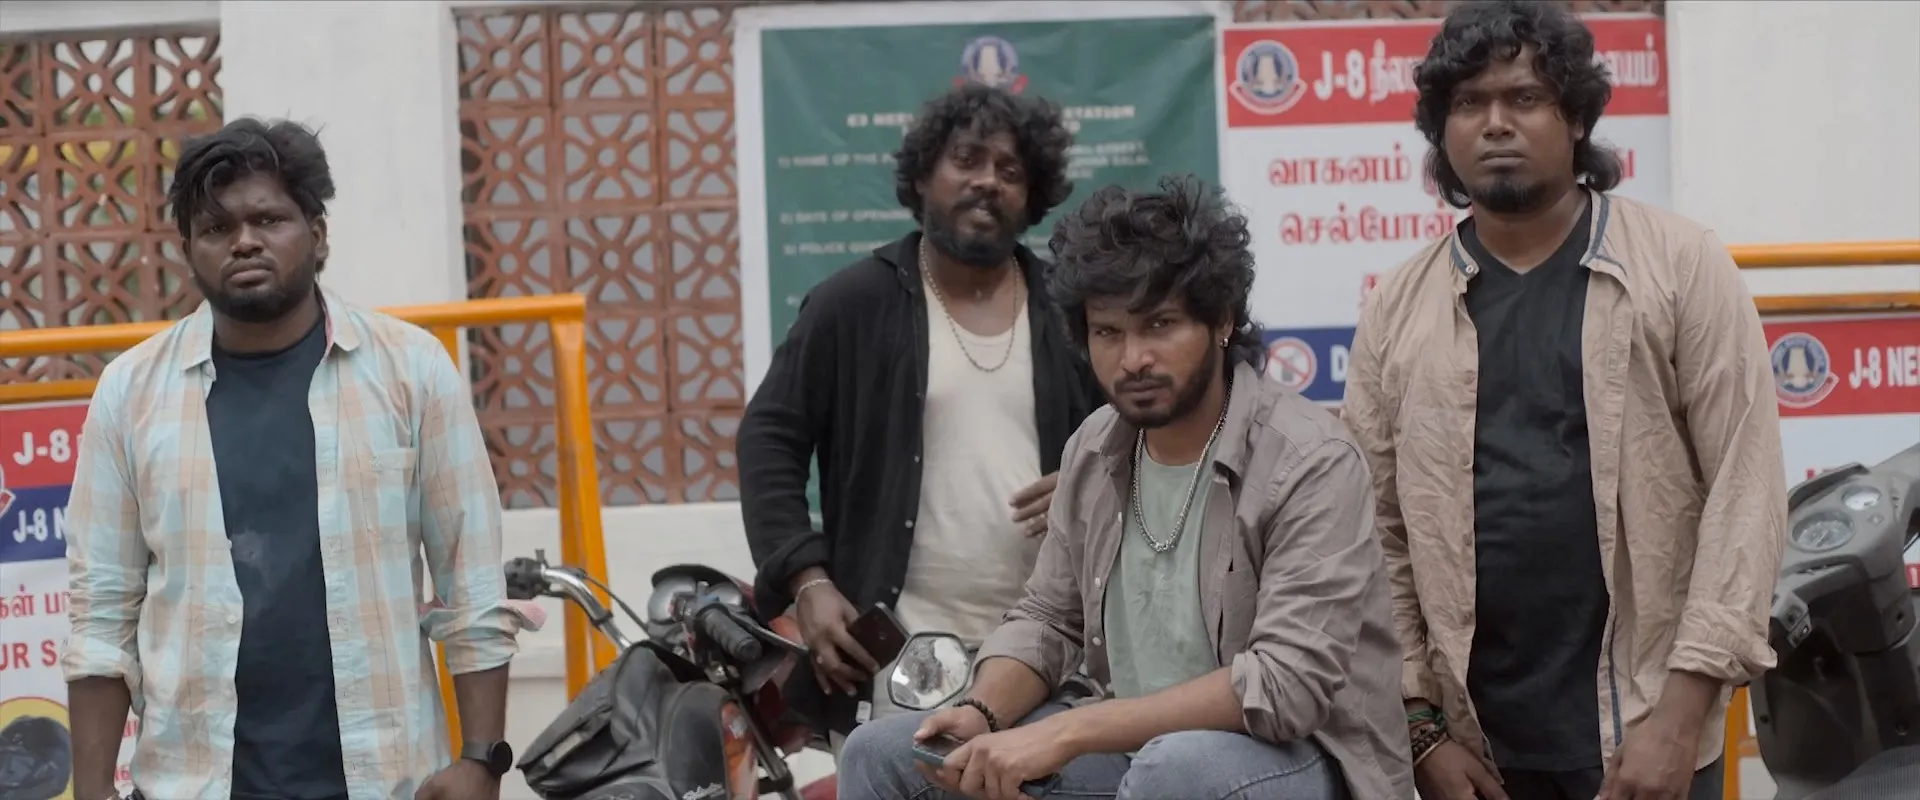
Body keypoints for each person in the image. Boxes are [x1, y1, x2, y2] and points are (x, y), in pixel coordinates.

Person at [836, 175, 1415, 800]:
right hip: (1133, 755)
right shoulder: (1094, 447)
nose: (1133, 358)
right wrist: (983, 712)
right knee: (881, 755)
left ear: (1221, 320)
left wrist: (1070, 732)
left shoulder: (1308, 460)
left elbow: (1283, 686)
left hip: (1298, 760)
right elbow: (1049, 617)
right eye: (1108, 333)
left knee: (1176, 769)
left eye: (1159, 325)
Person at [1342, 3, 1789, 800]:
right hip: (1474, 747)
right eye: (1469, 103)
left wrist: (1681, 715)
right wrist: (1421, 729)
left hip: (1645, 731)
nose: (1495, 123)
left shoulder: (1680, 266)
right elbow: (1377, 531)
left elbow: (1745, 493)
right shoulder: (1399, 306)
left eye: (1524, 97)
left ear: (1576, 117)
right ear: (1442, 129)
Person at [61, 117, 530, 800]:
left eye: (268, 219)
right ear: (188, 251)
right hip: (195, 785)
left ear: (318, 232)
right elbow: (102, 612)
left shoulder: (411, 371)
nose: (244, 241)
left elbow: (472, 581)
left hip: (384, 783)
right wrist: (94, 790)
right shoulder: (131, 394)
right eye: (216, 227)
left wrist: (482, 760)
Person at [738, 83, 1104, 748]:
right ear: (922, 177)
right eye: (966, 160)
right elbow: (769, 438)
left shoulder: (1072, 311)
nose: (987, 180)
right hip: (896, 660)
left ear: (1032, 197)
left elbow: (1146, 440)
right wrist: (807, 581)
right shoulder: (852, 304)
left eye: (1010, 170)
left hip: (1053, 656)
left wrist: (1093, 481)